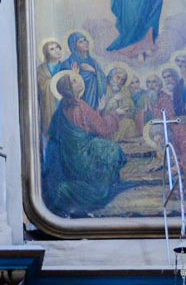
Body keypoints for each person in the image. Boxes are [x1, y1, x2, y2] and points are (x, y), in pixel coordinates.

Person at [42, 70, 127, 217]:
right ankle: (102, 183)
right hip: (83, 155)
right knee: (113, 150)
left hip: (70, 156)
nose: (79, 81)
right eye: (74, 81)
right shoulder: (80, 105)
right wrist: (115, 114)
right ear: (69, 88)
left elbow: (86, 125)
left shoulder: (63, 107)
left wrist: (99, 110)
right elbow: (103, 129)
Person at [61, 31, 106, 112]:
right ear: (74, 46)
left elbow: (104, 80)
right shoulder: (68, 63)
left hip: (94, 101)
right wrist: (75, 74)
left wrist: (93, 70)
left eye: (85, 40)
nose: (85, 43)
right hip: (77, 105)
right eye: (81, 41)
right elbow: (64, 86)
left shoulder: (93, 62)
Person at [101, 66, 141, 141]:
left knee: (130, 123)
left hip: (122, 121)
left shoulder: (125, 90)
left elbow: (131, 108)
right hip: (108, 124)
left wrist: (126, 109)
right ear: (111, 77)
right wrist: (114, 100)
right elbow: (102, 112)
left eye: (122, 80)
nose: (119, 81)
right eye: (117, 77)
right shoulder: (104, 89)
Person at [37, 38, 66, 136]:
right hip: (50, 104)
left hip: (63, 103)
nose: (56, 50)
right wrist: (52, 82)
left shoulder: (65, 66)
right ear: (47, 53)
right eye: (52, 49)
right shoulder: (42, 69)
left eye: (57, 47)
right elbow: (41, 85)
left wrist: (74, 75)